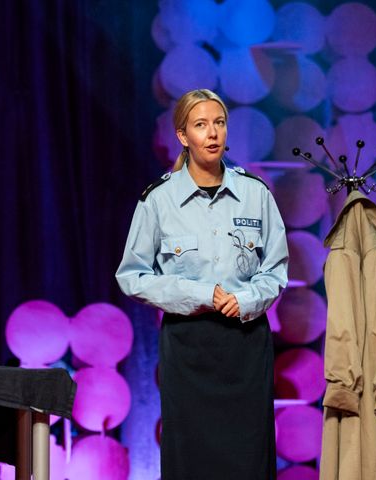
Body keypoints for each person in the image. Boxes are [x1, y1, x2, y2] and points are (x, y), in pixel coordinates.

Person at [115, 89, 288, 479]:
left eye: (219, 123)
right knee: (191, 461)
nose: (212, 133)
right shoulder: (158, 200)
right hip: (188, 347)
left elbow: (275, 270)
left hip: (245, 344)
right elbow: (131, 276)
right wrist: (199, 295)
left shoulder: (256, 194)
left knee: (249, 458)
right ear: (182, 135)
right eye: (200, 125)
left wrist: (246, 299)